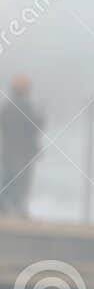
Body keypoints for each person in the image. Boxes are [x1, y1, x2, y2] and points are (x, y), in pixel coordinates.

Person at [0, 74, 43, 218]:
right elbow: (35, 125)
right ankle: (17, 209)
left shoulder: (8, 107)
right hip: (22, 153)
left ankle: (8, 208)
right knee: (20, 181)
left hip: (11, 152)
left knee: (10, 179)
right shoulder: (25, 107)